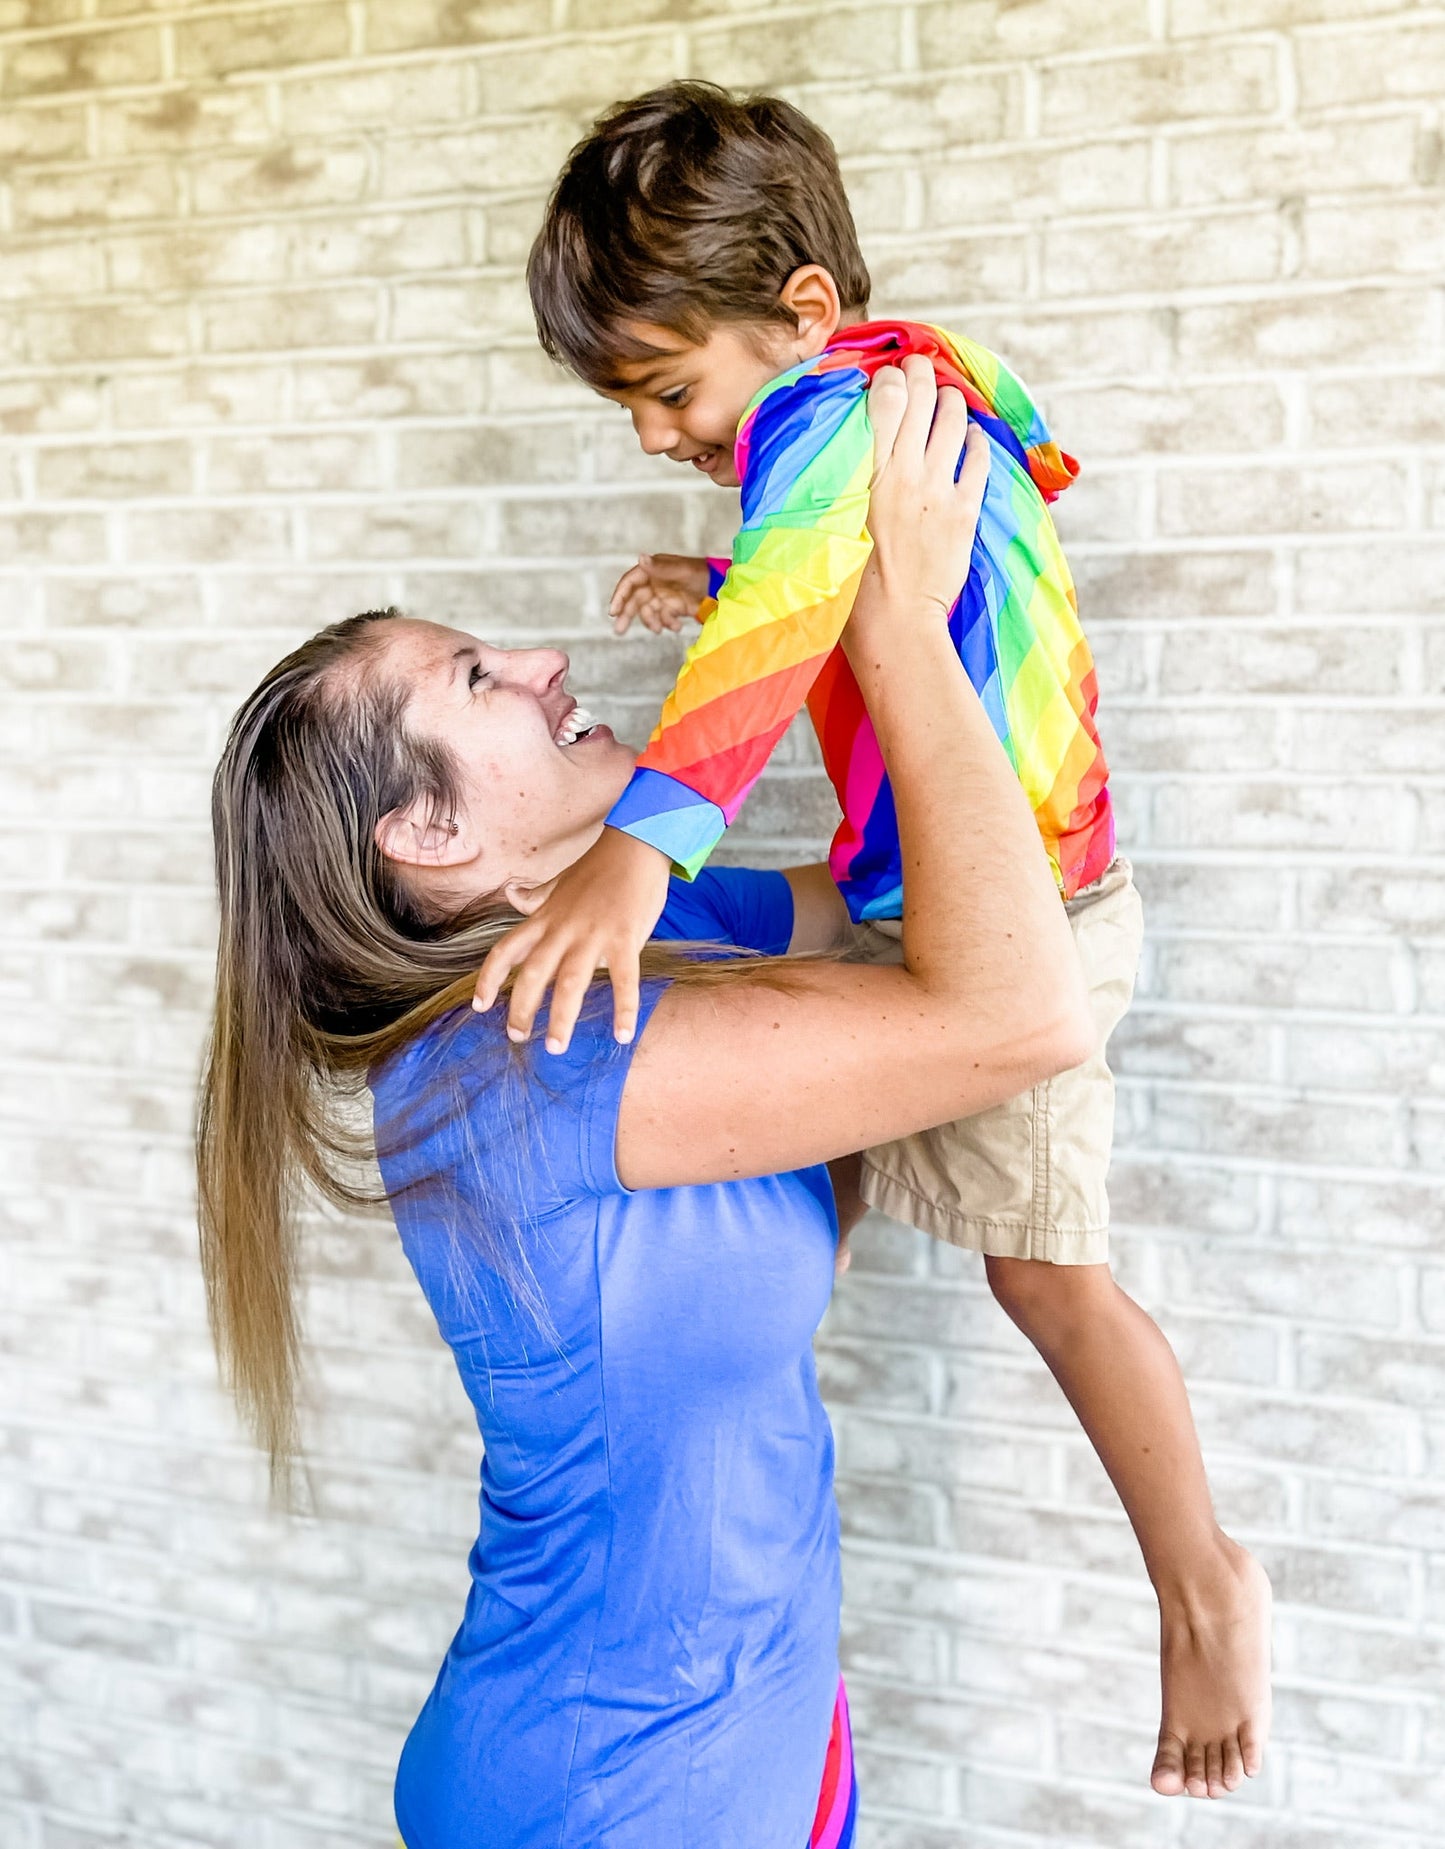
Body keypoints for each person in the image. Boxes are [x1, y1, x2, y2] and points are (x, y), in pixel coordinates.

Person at [476, 80, 1273, 1803]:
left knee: (1042, 1272)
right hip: (953, 896)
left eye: (668, 391)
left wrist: (633, 854)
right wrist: (751, 578)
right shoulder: (885, 393)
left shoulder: (832, 419)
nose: (651, 437)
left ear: (802, 317)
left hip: (1025, 917)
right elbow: (936, 542)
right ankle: (733, 1543)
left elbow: (787, 634)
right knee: (800, 1166)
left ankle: (1202, 1582)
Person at [196, 366, 1093, 1847]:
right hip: (614, 1791)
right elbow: (1018, 1008)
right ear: (426, 828)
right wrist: (900, 642)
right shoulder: (533, 1056)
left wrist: (823, 597)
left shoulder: (622, 944)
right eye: (478, 677)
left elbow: (897, 913)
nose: (547, 658)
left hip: (755, 1727)